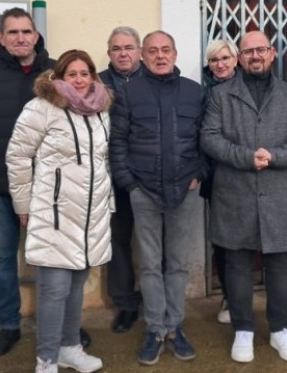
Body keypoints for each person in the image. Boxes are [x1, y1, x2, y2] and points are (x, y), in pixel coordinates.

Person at [0, 7, 91, 357]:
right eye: (12, 32)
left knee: (59, 259)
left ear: (36, 36)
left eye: (26, 31)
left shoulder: (58, 72)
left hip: (54, 188)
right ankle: (9, 326)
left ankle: (66, 327)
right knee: (4, 257)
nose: (20, 38)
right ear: (0, 38)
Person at [201, 31, 287, 364]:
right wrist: (245, 157)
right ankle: (244, 330)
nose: (255, 56)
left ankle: (280, 329)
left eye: (260, 50)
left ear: (272, 53)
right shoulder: (221, 96)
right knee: (236, 264)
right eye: (248, 51)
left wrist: (276, 156)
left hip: (279, 191)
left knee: (280, 264)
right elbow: (209, 137)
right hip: (234, 191)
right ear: (239, 57)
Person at [6, 50, 112, 373]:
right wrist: (22, 204)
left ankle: (70, 348)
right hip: (53, 213)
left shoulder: (100, 110)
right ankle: (46, 359)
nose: (79, 80)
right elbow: (18, 156)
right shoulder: (42, 108)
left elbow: (102, 162)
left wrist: (109, 204)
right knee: (54, 289)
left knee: (77, 285)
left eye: (85, 73)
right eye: (72, 74)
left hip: (89, 214)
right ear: (58, 77)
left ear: (93, 77)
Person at [109, 30, 204, 366]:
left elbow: (204, 140)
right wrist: (129, 183)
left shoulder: (194, 92)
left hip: (185, 190)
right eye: (153, 51)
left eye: (166, 50)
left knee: (176, 264)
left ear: (175, 55)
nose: (160, 56)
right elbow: (117, 142)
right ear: (143, 56)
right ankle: (154, 329)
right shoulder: (128, 93)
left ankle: (175, 328)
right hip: (144, 190)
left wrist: (198, 174)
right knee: (150, 265)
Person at [98, 27, 144, 334]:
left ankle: (157, 300)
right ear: (109, 53)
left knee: (158, 244)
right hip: (112, 177)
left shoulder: (155, 78)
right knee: (118, 241)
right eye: (116, 48)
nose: (123, 53)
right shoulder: (97, 84)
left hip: (152, 176)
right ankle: (125, 304)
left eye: (129, 47)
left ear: (139, 50)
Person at [198, 39, 239, 324]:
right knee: (225, 242)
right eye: (214, 60)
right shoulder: (201, 96)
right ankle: (230, 295)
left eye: (225, 58)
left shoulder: (249, 88)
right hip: (217, 177)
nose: (221, 64)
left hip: (249, 172)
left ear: (236, 60)